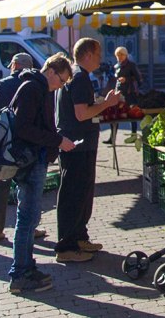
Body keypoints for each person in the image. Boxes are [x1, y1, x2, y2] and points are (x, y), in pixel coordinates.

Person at [7, 53, 79, 294]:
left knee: (29, 218)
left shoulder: (40, 89)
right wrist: (57, 140)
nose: (61, 86)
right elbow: (24, 127)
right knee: (26, 218)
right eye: (61, 80)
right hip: (29, 161)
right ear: (51, 72)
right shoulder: (32, 89)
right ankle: (20, 273)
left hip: (35, 158)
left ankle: (26, 267)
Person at [53, 37, 122, 264]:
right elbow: (82, 113)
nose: (101, 59)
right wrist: (107, 103)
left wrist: (100, 104)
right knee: (74, 195)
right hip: (78, 146)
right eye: (99, 54)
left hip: (76, 144)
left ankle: (79, 238)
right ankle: (67, 246)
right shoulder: (80, 77)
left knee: (81, 195)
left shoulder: (75, 75)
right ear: (88, 54)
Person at [0, 53, 47, 244]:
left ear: (14, 65)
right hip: (27, 145)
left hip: (5, 143)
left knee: (1, 186)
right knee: (28, 189)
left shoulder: (2, 84)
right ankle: (30, 228)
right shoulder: (36, 84)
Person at [112, 46, 143, 143]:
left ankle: (133, 136)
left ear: (125, 55)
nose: (119, 57)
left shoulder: (131, 65)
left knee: (132, 114)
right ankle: (112, 138)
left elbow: (139, 79)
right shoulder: (116, 66)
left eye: (121, 55)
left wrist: (127, 79)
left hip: (130, 92)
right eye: (117, 55)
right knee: (116, 114)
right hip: (119, 92)